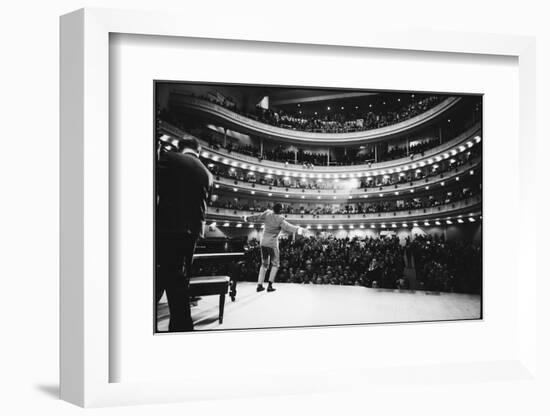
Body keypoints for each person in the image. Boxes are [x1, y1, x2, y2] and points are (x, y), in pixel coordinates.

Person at [156, 136, 213, 331]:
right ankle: (180, 326)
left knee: (169, 276)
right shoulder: (208, 174)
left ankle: (182, 327)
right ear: (199, 151)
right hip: (193, 232)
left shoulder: (170, 158)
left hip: (168, 227)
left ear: (181, 147)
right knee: (177, 277)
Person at [243, 203, 303, 292]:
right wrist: (298, 229)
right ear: (280, 210)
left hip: (263, 243)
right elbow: (288, 227)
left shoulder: (267, 213)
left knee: (264, 264)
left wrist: (247, 218)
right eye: (282, 209)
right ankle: (270, 286)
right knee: (275, 264)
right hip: (272, 244)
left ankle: (259, 285)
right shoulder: (280, 219)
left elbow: (257, 216)